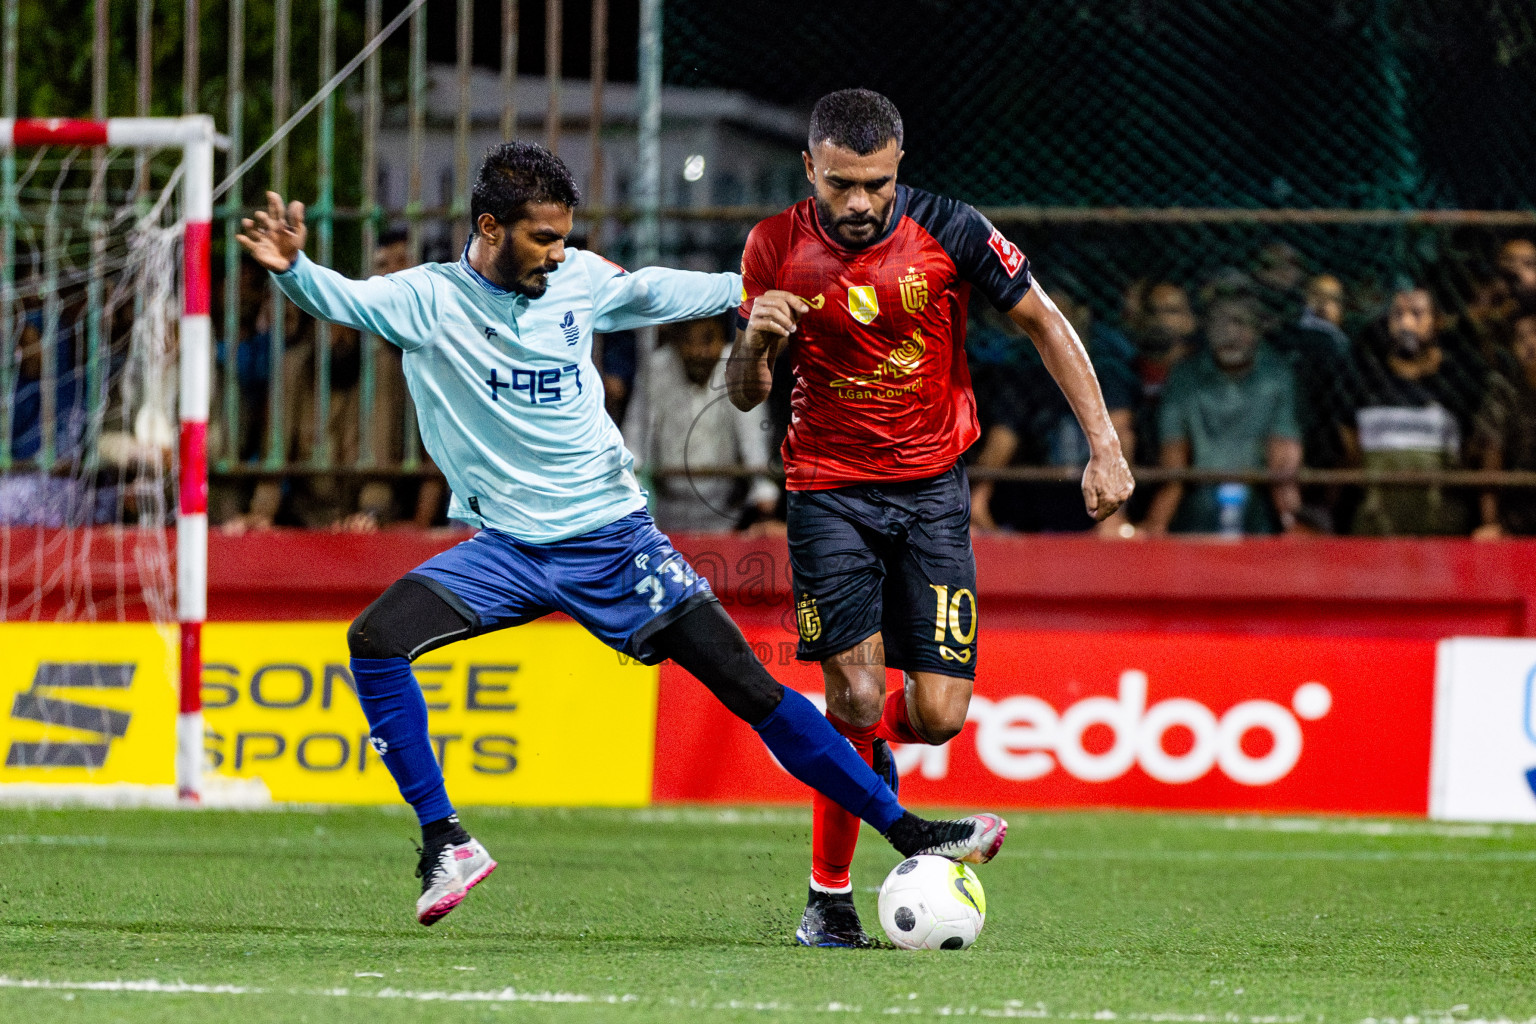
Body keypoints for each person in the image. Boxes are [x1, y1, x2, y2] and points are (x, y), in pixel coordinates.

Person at [236, 142, 1006, 928]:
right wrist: (293, 270)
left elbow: (649, 290)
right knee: (376, 641)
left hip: (615, 540)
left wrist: (756, 290)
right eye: (544, 238)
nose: (559, 253)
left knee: (754, 691)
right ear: (490, 227)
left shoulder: (576, 281)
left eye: (567, 237)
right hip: (504, 550)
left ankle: (911, 831)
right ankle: (445, 842)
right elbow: (342, 300)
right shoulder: (426, 301)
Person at [726, 90, 1132, 947]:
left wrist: (1103, 444)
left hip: (933, 491)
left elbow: (1045, 323)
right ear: (811, 169)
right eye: (841, 184)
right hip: (826, 491)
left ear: (900, 164)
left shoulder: (951, 230)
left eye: (875, 182)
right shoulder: (772, 245)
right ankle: (827, 900)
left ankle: (833, 740)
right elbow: (745, 392)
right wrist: (756, 340)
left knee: (938, 715)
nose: (860, 202)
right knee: (863, 694)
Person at [1141, 286, 1303, 536]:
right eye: (1219, 323)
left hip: (1258, 496)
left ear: (1257, 329)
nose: (1229, 333)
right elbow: (1173, 459)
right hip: (1197, 495)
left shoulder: (1278, 376)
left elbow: (1282, 456)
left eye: (1240, 323)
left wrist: (1291, 523)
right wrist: (1156, 525)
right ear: (1205, 328)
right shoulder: (1184, 377)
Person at [1339, 285, 1481, 536]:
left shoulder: (1458, 378)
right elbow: (1351, 449)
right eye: (1397, 314)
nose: (1406, 323)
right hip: (1377, 518)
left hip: (1439, 523)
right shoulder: (1367, 377)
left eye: (1417, 314)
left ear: (1437, 321)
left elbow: (1469, 451)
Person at [623, 314, 780, 533]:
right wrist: (633, 495)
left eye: (707, 340)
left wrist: (762, 489)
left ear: (723, 340)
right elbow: (635, 438)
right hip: (667, 514)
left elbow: (752, 437)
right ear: (675, 341)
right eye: (688, 341)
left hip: (725, 513)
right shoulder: (656, 368)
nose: (697, 351)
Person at [1473, 312, 1536, 537]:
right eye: (1522, 338)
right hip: (1516, 511)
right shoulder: (1503, 391)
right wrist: (1491, 523)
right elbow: (1491, 466)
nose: (1531, 343)